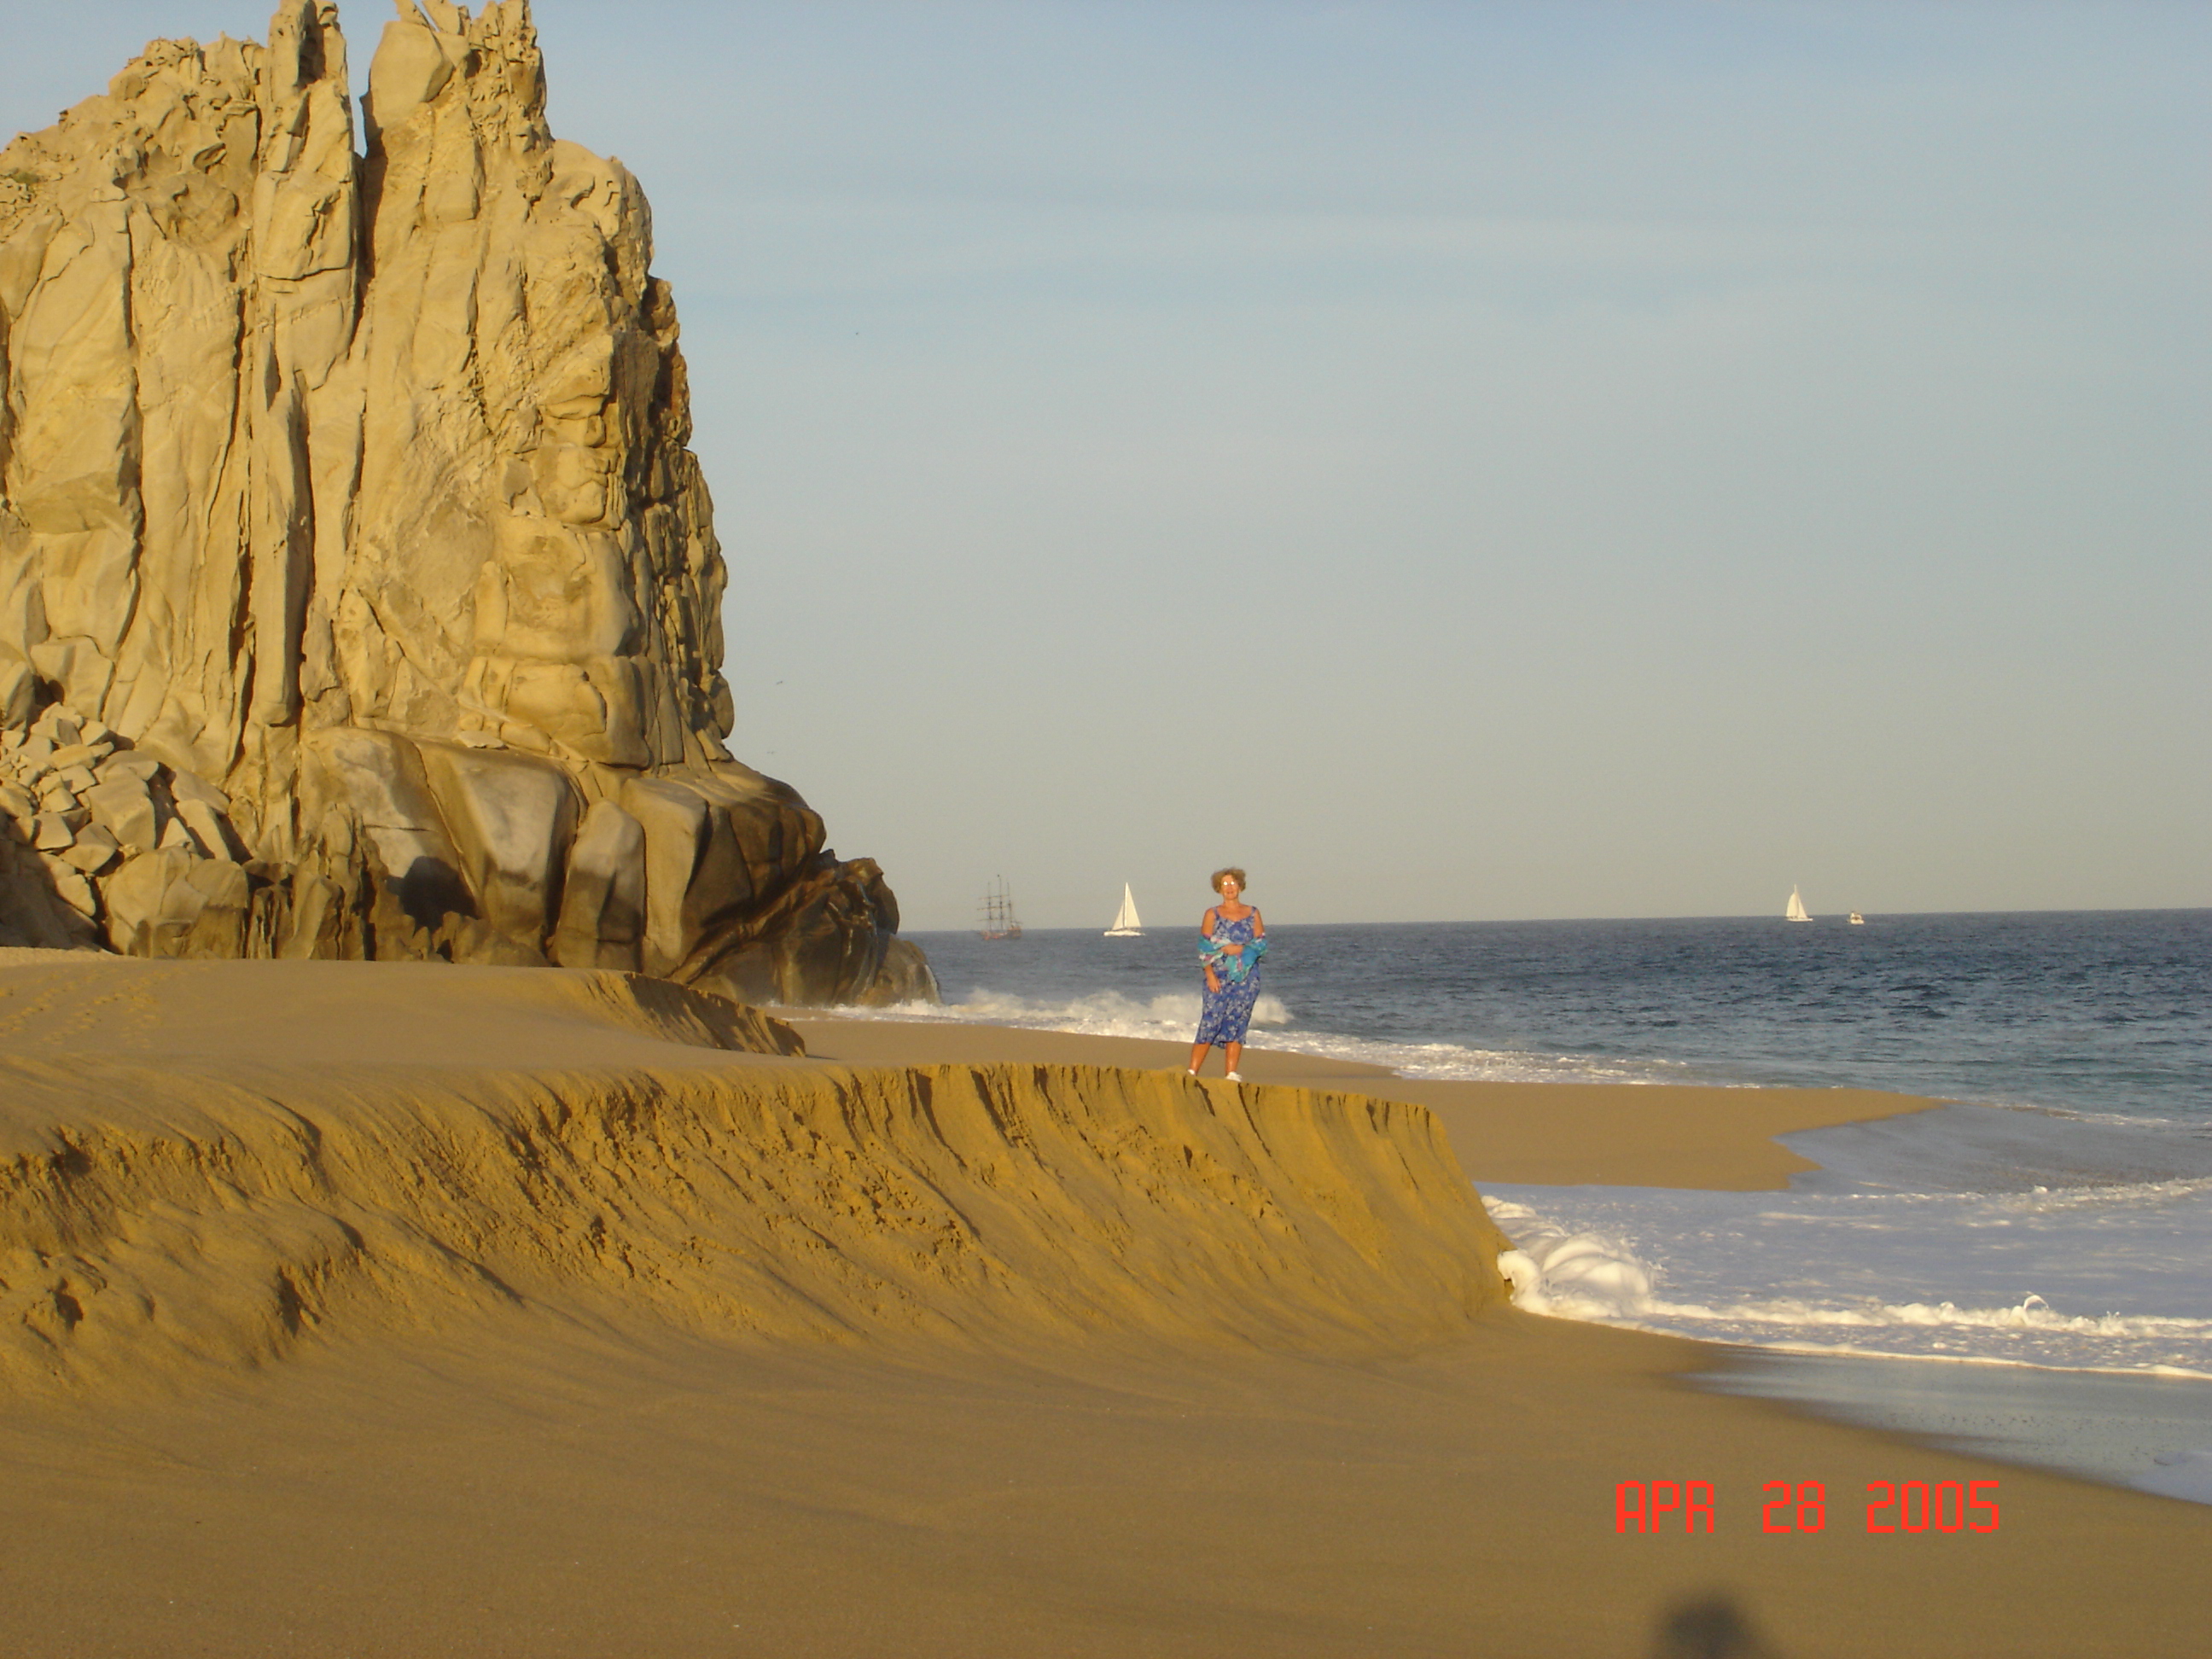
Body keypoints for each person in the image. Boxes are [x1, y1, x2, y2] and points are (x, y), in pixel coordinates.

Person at [1187, 867, 1266, 1081]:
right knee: (1211, 1020)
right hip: (1218, 976)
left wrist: (1240, 949)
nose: (1229, 887)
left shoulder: (1253, 912)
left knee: (1238, 1020)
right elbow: (1205, 947)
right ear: (1218, 888)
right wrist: (1210, 974)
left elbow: (1260, 944)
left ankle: (1231, 1072)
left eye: (1233, 883)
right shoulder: (1212, 914)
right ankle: (1192, 1071)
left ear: (1240, 886)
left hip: (1247, 977)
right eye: (1225, 884)